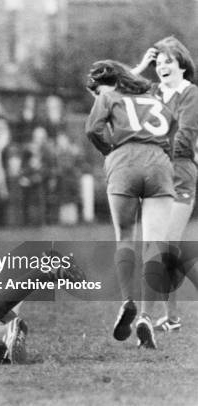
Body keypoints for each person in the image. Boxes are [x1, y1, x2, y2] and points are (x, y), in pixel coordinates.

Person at [85, 60, 177, 349]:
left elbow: (93, 129)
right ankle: (147, 316)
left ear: (103, 84)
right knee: (155, 243)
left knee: (125, 236)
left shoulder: (107, 96)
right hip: (158, 162)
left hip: (124, 160)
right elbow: (172, 131)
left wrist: (109, 152)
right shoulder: (153, 98)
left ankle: (128, 301)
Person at [132, 36, 198, 332]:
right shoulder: (154, 91)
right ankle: (169, 319)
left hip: (180, 174)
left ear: (182, 65)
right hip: (156, 174)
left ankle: (149, 316)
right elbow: (114, 91)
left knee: (165, 247)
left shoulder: (191, 94)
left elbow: (184, 139)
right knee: (161, 248)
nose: (161, 67)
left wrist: (150, 145)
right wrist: (140, 66)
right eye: (157, 63)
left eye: (167, 61)